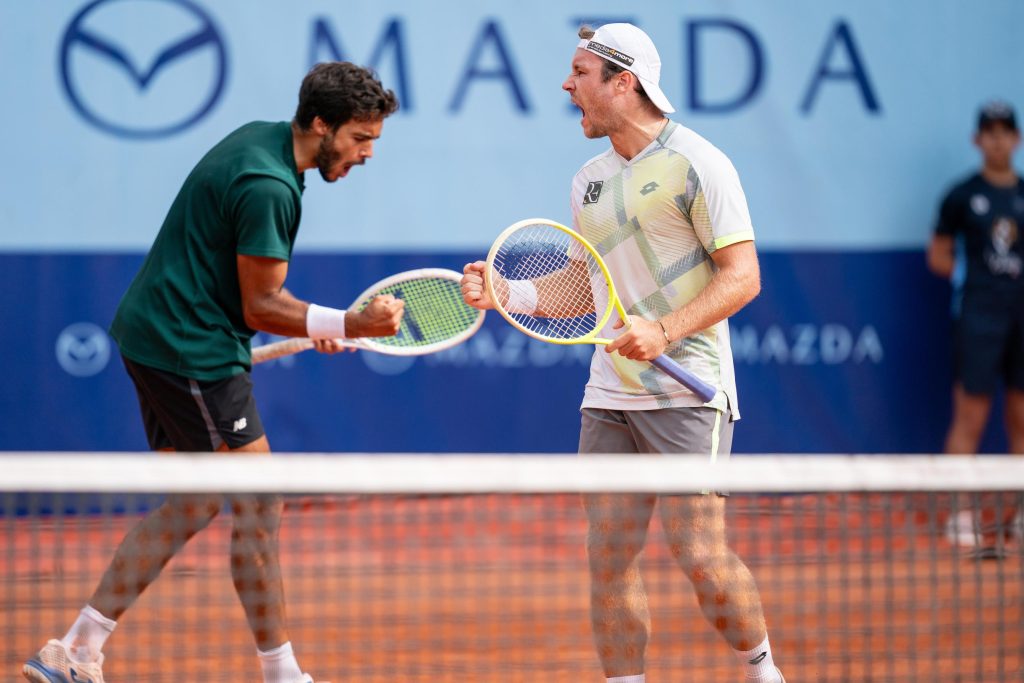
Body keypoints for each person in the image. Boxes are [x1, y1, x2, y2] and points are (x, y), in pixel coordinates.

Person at [22, 62, 402, 683]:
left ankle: (75, 651)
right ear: (320, 124)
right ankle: (282, 675)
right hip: (190, 349)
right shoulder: (269, 185)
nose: (367, 154)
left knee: (194, 502)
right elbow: (262, 306)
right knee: (259, 503)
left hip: (154, 333)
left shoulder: (263, 140)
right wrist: (351, 324)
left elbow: (251, 290)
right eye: (360, 138)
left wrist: (328, 324)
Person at [461, 23, 784, 683]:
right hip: (609, 393)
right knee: (608, 559)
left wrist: (664, 331)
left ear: (623, 82)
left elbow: (743, 277)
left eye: (580, 73)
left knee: (700, 556)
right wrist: (508, 292)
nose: (566, 85)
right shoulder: (589, 181)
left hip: (687, 388)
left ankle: (762, 672)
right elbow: (587, 284)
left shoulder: (699, 164)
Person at [927, 100, 1024, 559]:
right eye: (990, 132)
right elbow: (938, 256)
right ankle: (960, 514)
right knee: (970, 416)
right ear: (977, 139)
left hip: (1021, 319)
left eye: (1005, 132)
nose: (998, 140)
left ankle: (1020, 517)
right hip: (979, 318)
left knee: (1021, 417)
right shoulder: (962, 196)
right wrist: (971, 277)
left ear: (1016, 139)